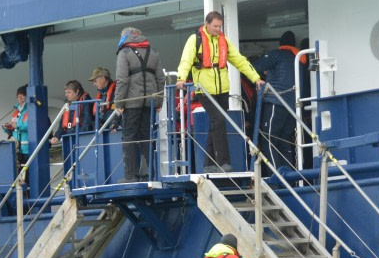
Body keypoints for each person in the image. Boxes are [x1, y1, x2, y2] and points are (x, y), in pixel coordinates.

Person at [176, 11, 263, 172]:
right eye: (215, 26)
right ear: (206, 24)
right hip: (204, 89)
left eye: (220, 26)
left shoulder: (224, 41)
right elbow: (186, 60)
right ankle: (223, 162)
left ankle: (209, 164)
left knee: (216, 124)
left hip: (223, 89)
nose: (218, 29)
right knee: (219, 120)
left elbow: (239, 60)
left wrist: (255, 78)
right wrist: (181, 78)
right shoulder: (195, 40)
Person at [114, 27, 165, 182]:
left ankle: (130, 176)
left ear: (124, 37)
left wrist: (118, 102)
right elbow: (160, 79)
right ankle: (150, 174)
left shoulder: (124, 53)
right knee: (147, 138)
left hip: (131, 102)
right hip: (149, 103)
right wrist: (158, 101)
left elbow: (122, 80)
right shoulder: (153, 52)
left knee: (129, 137)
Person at [254, 30, 305, 169]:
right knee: (284, 142)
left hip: (276, 102)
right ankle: (289, 178)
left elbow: (255, 67)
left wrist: (264, 72)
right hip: (293, 106)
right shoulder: (299, 60)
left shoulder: (277, 55)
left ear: (280, 43)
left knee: (268, 140)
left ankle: (276, 178)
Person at [50, 80, 94, 144]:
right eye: (66, 92)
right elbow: (62, 124)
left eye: (69, 92)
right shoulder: (69, 104)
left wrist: (81, 137)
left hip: (81, 139)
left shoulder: (86, 102)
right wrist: (57, 136)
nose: (66, 95)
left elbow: (87, 122)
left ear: (77, 91)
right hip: (70, 137)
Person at [2, 85, 30, 178]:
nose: (20, 98)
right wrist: (7, 128)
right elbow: (13, 131)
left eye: (23, 95)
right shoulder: (16, 112)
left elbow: (31, 126)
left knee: (28, 176)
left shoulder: (31, 110)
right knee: (19, 176)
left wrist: (17, 125)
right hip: (17, 150)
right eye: (18, 96)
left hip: (28, 150)